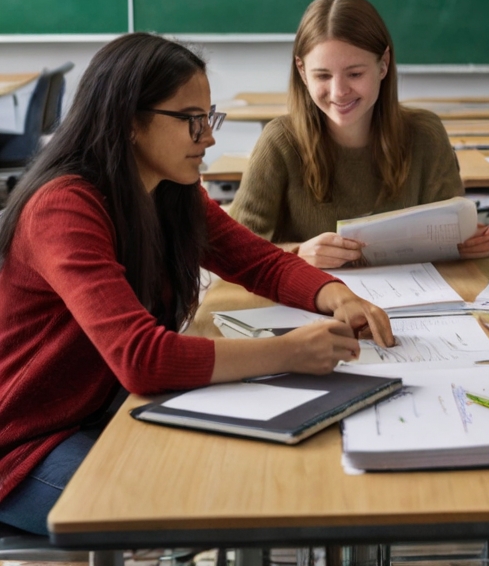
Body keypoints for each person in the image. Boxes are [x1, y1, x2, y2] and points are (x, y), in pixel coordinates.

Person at [0, 32, 393, 536]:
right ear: (129, 122)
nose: (207, 137)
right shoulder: (65, 207)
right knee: (198, 494)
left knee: (245, 463)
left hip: (98, 411)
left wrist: (338, 296)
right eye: (191, 121)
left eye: (209, 117)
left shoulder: (168, 192)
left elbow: (261, 264)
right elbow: (142, 359)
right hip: (23, 445)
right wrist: (289, 352)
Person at [230, 0, 489, 268]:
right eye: (322, 75)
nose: (339, 92)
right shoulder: (279, 142)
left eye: (355, 74)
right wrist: (296, 254)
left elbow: (450, 236)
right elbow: (232, 252)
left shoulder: (425, 135)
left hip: (410, 301)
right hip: (310, 306)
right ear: (302, 71)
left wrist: (464, 245)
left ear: (383, 65)